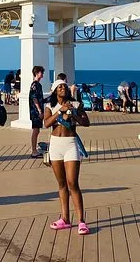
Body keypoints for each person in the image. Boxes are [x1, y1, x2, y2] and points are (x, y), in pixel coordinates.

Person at [44, 79, 91, 235]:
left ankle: (81, 221)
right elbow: (46, 123)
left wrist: (74, 114)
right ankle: (65, 218)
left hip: (70, 144)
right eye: (59, 87)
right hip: (55, 145)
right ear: (55, 91)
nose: (63, 88)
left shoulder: (76, 104)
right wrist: (60, 111)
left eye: (64, 86)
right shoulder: (50, 106)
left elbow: (86, 123)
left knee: (73, 183)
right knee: (62, 184)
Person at [29, 66, 46, 158]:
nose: (42, 74)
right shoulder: (35, 85)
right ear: (36, 73)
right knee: (35, 130)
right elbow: (34, 98)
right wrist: (39, 110)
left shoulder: (38, 85)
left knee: (37, 130)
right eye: (41, 72)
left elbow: (39, 99)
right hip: (35, 112)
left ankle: (34, 150)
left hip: (37, 111)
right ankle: (34, 151)